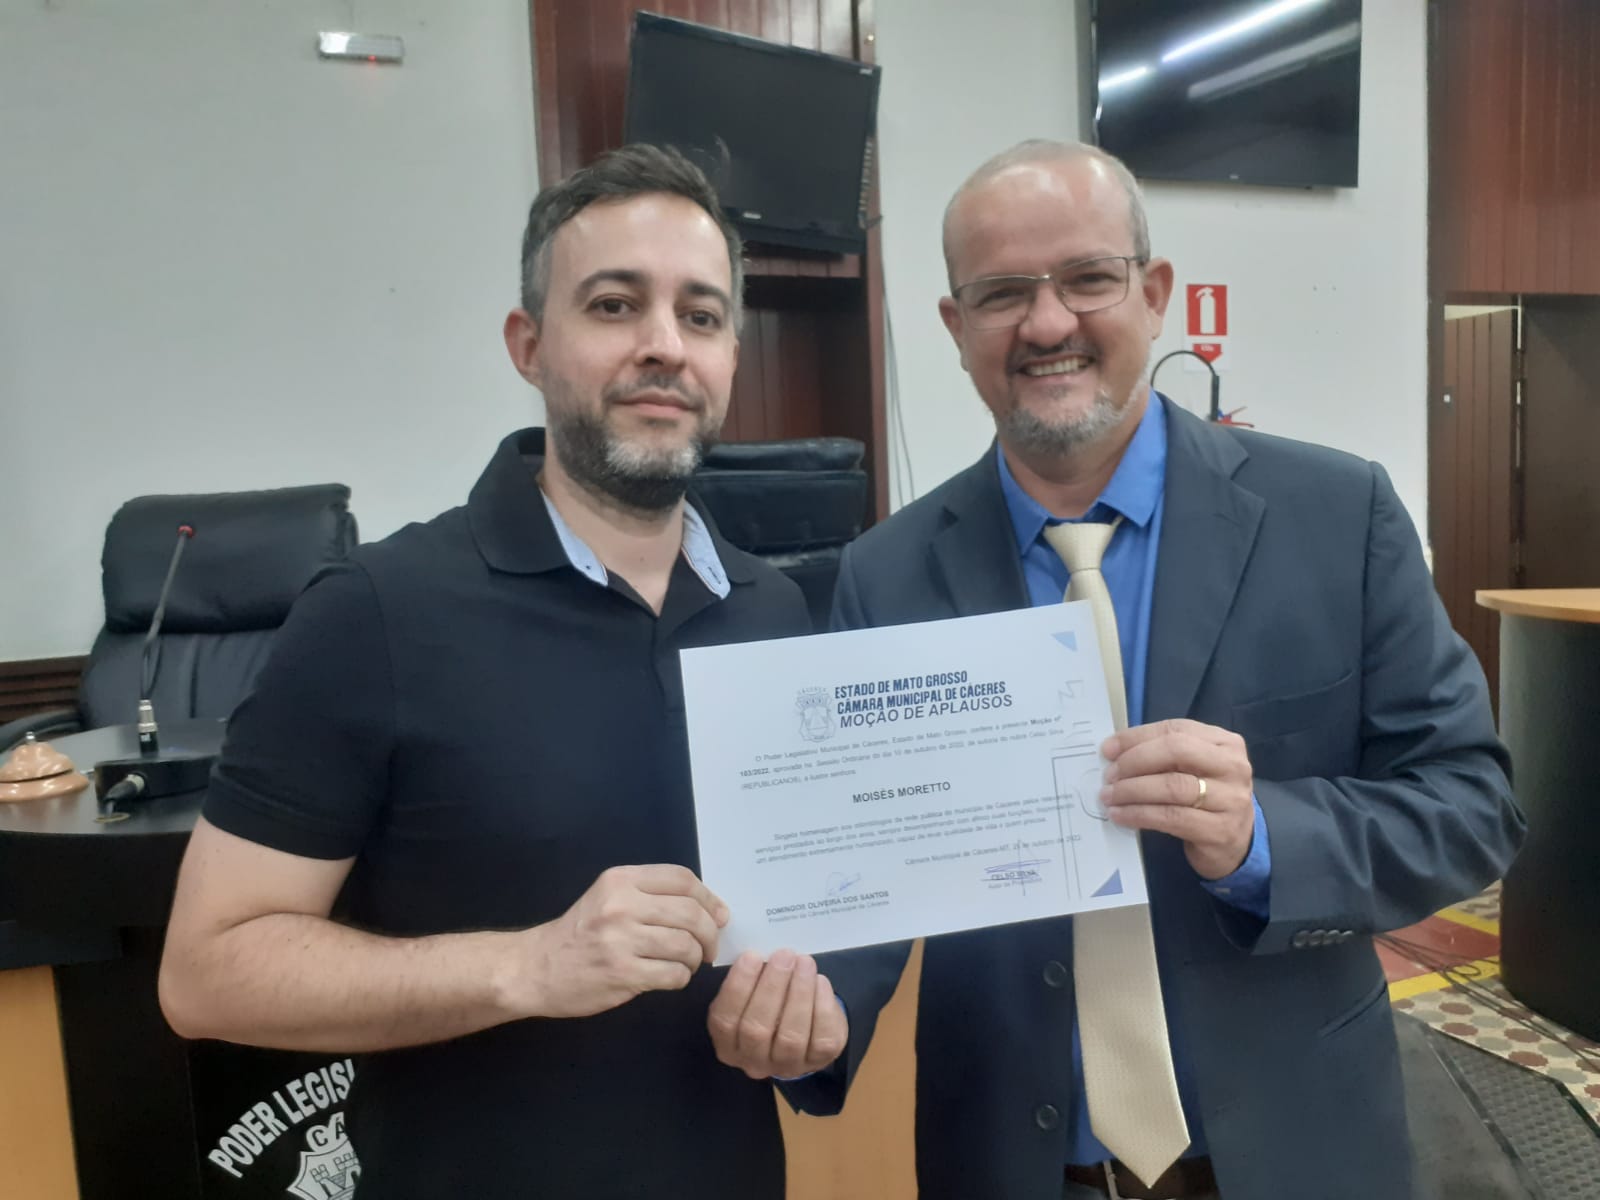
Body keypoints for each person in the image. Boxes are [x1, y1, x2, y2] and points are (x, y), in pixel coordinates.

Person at [158, 144, 900, 1198]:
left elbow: (824, 902)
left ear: (732, 354)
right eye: (613, 305)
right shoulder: (375, 613)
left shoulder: (773, 612)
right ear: (529, 344)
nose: (663, 346)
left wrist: (816, 1005)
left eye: (699, 315)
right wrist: (528, 965)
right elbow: (204, 975)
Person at [829, 140, 1523, 1200]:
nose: (1047, 323)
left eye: (1088, 278)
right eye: (1002, 293)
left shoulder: (1337, 518)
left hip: (1297, 1155)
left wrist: (1262, 840)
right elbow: (864, 871)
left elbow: (1471, 807)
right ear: (955, 326)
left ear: (1153, 295)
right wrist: (817, 1005)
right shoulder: (884, 576)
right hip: (1012, 1165)